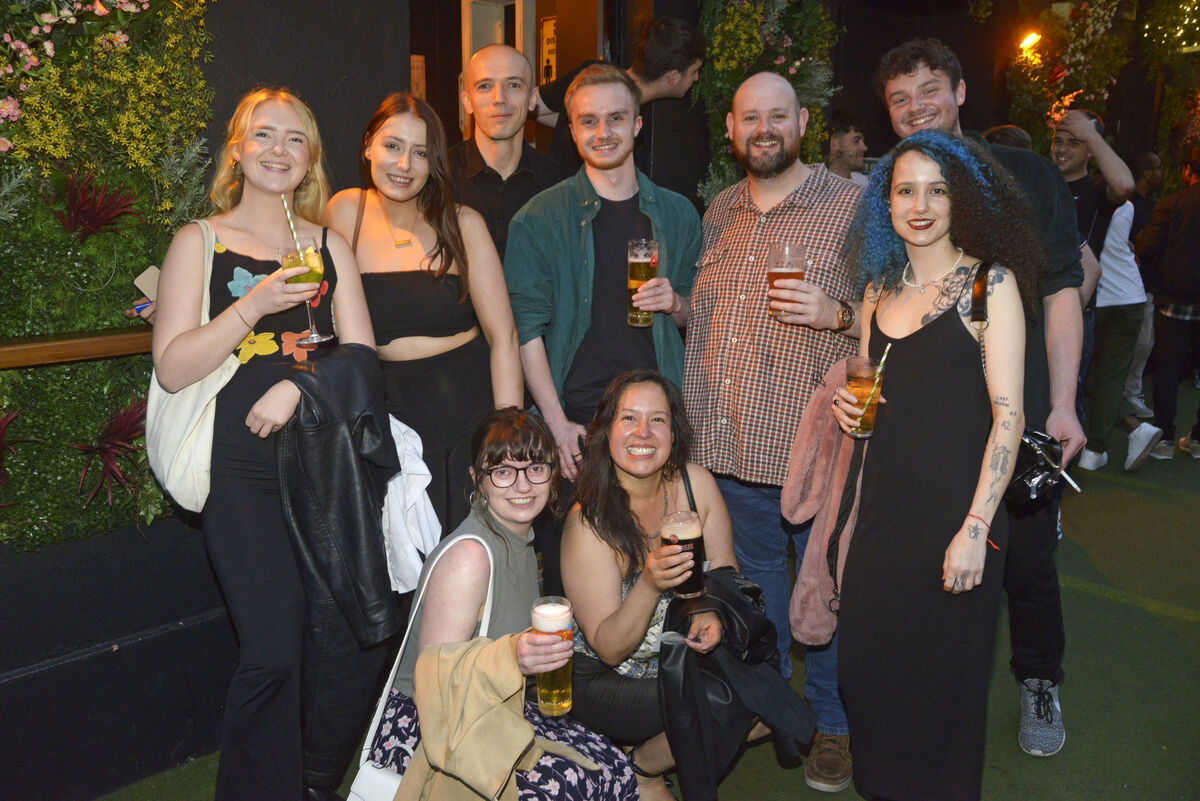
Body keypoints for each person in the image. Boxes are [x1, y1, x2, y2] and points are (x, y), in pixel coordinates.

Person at [152, 88, 384, 801]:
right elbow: (172, 367)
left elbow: (364, 359)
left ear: (310, 159)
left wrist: (299, 389)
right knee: (274, 649)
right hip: (240, 465)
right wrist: (255, 302)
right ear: (237, 150)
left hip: (321, 460)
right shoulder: (199, 241)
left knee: (322, 638)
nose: (278, 150)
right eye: (263, 135)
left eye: (294, 139)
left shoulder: (329, 245)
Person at [875, 37, 1085, 758]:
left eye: (928, 89)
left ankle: (1039, 678)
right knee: (922, 558)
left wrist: (1063, 402)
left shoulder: (1028, 175)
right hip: (927, 417)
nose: (915, 107)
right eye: (899, 99)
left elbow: (1062, 290)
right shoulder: (892, 186)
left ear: (961, 91)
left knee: (1026, 556)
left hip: (1016, 405)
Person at [832, 127, 1040, 801]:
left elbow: (1010, 416)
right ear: (885, 203)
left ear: (962, 200)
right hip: (883, 517)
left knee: (940, 693)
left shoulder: (989, 284)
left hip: (959, 518)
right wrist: (849, 409)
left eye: (937, 191)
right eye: (905, 191)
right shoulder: (877, 290)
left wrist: (976, 526)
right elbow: (875, 395)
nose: (920, 206)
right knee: (867, 673)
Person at [681, 70, 861, 793]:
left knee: (825, 591)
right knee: (758, 590)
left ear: (803, 123)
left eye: (778, 116)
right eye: (750, 117)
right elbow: (709, 319)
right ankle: (779, 709)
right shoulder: (720, 210)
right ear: (731, 129)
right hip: (731, 447)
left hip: (815, 450)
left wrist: (839, 314)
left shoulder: (852, 205)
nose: (764, 129)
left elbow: (896, 309)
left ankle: (834, 724)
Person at [364, 408, 637, 800]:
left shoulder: (520, 541)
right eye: (503, 471)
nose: (522, 485)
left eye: (535, 469)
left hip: (489, 708)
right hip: (425, 731)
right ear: (478, 480)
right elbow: (433, 685)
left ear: (552, 474)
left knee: (613, 766)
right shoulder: (470, 556)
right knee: (575, 786)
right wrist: (513, 658)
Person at [326, 92, 522, 534]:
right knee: (402, 558)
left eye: (421, 152)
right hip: (387, 419)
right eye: (392, 146)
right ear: (368, 146)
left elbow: (505, 338)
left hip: (466, 415)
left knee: (472, 549)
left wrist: (508, 435)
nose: (404, 164)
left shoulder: (462, 222)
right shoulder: (344, 211)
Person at [506, 63, 700, 477]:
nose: (603, 133)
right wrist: (557, 424)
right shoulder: (538, 219)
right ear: (572, 131)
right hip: (581, 423)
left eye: (616, 119)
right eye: (589, 121)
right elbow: (527, 332)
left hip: (657, 417)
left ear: (637, 125)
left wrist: (675, 303)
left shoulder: (678, 213)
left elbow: (694, 316)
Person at [560, 369, 737, 801]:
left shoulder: (696, 485)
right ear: (606, 431)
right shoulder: (588, 522)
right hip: (604, 679)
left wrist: (711, 611)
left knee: (772, 698)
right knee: (728, 698)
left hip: (674, 658)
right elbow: (608, 648)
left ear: (674, 433)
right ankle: (644, 769)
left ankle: (640, 760)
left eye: (657, 419)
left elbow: (726, 574)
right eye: (629, 418)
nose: (643, 432)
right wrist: (649, 584)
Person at [533, 16, 707, 206]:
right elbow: (530, 105)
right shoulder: (593, 81)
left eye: (614, 118)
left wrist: (576, 124)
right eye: (694, 71)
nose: (696, 78)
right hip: (571, 208)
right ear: (672, 77)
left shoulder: (590, 74)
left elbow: (534, 107)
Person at [450, 44, 569, 260]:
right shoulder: (439, 180)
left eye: (513, 85)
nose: (499, 98)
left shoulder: (561, 185)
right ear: (467, 101)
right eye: (485, 86)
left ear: (532, 99)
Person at [1076, 200, 1163, 472]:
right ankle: (1130, 430)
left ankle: (1098, 447)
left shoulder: (1081, 199)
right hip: (1127, 297)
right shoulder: (1127, 205)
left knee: (1093, 376)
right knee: (1100, 377)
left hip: (1098, 299)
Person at [1138, 150, 1200, 460]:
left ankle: (1164, 438)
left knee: (1167, 368)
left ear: (1188, 170)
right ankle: (1198, 439)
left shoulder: (1173, 203)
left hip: (1175, 300)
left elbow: (1147, 245)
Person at [1124, 151, 1164, 420]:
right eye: (1158, 168)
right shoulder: (1128, 205)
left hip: (1146, 286)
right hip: (1127, 286)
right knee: (1138, 342)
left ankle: (1131, 392)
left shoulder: (1152, 206)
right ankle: (1128, 394)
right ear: (1147, 173)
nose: (1161, 173)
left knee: (1144, 343)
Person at [827, 109, 869, 187]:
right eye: (856, 141)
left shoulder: (864, 181)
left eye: (863, 141)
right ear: (834, 143)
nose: (864, 148)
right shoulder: (823, 186)